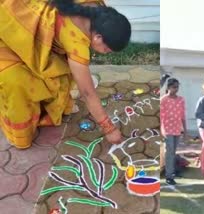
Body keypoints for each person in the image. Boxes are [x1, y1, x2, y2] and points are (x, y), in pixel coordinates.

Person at [0, 0, 131, 148]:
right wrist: (109, 128)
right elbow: (87, 93)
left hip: (25, 24)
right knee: (18, 83)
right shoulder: (75, 39)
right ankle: (20, 138)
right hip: (9, 29)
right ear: (98, 37)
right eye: (107, 50)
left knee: (62, 73)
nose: (106, 54)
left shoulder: (98, 10)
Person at [160, 78, 187, 185]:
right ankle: (169, 175)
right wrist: (160, 131)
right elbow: (160, 116)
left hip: (177, 129)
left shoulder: (181, 99)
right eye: (173, 87)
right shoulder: (163, 100)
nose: (176, 89)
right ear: (168, 87)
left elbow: (183, 116)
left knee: (173, 152)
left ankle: (171, 171)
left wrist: (185, 130)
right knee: (169, 152)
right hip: (166, 129)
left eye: (177, 87)